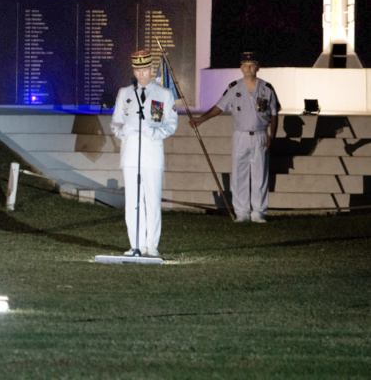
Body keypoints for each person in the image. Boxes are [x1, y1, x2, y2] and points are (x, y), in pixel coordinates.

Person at [190, 52, 279, 223]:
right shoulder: (234, 88)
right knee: (239, 175)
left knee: (260, 175)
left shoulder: (267, 89)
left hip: (260, 135)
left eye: (252, 65)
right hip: (241, 136)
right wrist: (201, 119)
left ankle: (258, 212)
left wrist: (272, 135)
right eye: (245, 66)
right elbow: (218, 107)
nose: (248, 69)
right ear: (240, 68)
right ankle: (242, 212)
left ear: (258, 68)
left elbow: (274, 114)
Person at [111, 50, 178, 257]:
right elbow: (115, 123)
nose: (141, 74)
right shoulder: (125, 93)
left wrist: (154, 132)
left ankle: (152, 245)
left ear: (151, 69)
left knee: (152, 199)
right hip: (131, 154)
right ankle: (135, 244)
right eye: (137, 69)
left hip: (152, 153)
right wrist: (124, 132)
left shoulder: (164, 94)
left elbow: (171, 125)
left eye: (144, 69)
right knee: (132, 201)